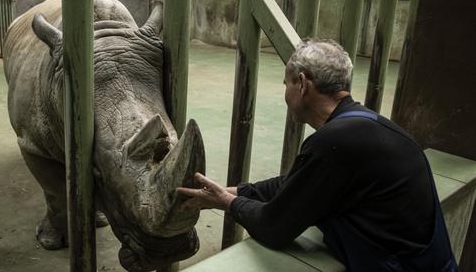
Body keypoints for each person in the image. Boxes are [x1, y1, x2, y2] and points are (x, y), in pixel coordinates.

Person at [177, 39, 458, 272]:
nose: (285, 93)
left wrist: (226, 202)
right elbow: (298, 184)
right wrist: (233, 191)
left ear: (302, 84)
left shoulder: (334, 141)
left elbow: (274, 227)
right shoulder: (366, 124)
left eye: (285, 83)